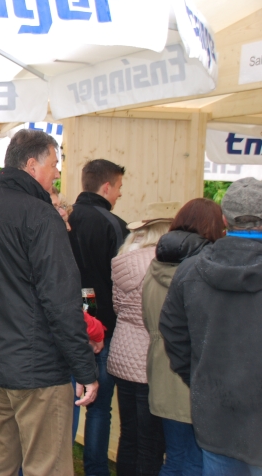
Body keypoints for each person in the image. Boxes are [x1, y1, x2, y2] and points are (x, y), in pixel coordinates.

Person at [0, 129, 97, 475]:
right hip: (35, 370)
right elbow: (61, 301)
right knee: (46, 465)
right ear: (32, 165)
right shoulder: (41, 215)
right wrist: (85, 369)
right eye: (54, 164)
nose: (58, 173)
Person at [160, 178, 262, 475]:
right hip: (218, 411)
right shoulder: (191, 270)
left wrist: (199, 379)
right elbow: (173, 332)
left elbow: (173, 334)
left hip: (215, 413)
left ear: (224, 219)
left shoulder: (189, 270)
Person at [142, 198, 223, 476]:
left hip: (160, 371)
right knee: (195, 461)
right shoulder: (205, 273)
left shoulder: (154, 267)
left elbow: (149, 320)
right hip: (193, 372)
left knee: (175, 457)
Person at [107, 203, 178, 476]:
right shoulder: (164, 265)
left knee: (129, 434)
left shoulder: (123, 259)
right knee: (151, 442)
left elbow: (117, 307)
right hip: (151, 358)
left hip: (122, 354)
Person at [67, 158, 128, 476]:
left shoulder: (63, 218)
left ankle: (61, 466)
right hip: (103, 329)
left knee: (68, 402)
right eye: (118, 187)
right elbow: (123, 282)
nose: (119, 194)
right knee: (100, 406)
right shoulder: (114, 225)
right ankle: (96, 470)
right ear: (106, 187)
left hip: (66, 324)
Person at [51, 187, 105, 442]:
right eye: (58, 210)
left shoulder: (66, 247)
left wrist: (91, 322)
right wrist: (95, 330)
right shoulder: (51, 253)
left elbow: (83, 293)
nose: (67, 222)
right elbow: (63, 306)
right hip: (56, 357)